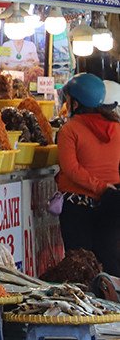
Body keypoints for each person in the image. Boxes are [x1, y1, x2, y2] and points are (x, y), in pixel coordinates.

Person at [56, 73, 120, 279]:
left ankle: (87, 310)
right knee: (110, 260)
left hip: (78, 207)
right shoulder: (117, 127)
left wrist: (99, 187)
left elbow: (71, 169)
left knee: (80, 265)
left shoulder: (69, 129)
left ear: (74, 102)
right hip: (113, 202)